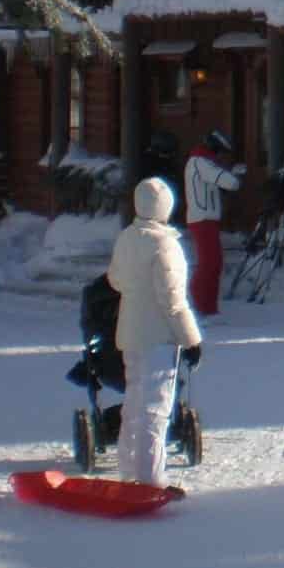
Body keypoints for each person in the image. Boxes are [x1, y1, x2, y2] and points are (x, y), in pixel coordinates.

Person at [107, 176, 202, 487]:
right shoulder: (164, 245)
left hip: (130, 334)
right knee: (155, 410)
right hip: (158, 338)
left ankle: (127, 471)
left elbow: (115, 280)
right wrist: (192, 339)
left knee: (133, 406)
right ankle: (150, 480)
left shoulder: (126, 238)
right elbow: (172, 301)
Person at [184, 129, 244, 317]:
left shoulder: (201, 162)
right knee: (208, 264)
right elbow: (230, 182)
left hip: (206, 219)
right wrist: (235, 175)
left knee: (214, 263)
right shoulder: (201, 162)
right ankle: (199, 307)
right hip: (202, 219)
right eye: (220, 151)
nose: (220, 156)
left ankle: (209, 309)